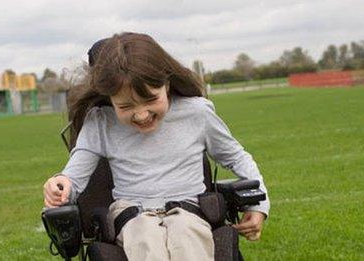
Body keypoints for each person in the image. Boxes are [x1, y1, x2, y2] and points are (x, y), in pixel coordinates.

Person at [43, 32, 270, 261]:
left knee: (186, 234)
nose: (141, 115)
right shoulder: (100, 122)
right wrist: (60, 187)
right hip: (133, 216)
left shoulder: (197, 113)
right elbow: (73, 178)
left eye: (151, 99)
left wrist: (259, 206)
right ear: (110, 98)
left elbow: (238, 158)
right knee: (146, 237)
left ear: (167, 84)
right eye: (125, 106)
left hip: (190, 211)